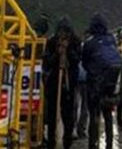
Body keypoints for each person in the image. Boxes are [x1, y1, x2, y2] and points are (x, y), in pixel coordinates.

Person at [83, 13, 122, 149]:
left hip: (95, 83)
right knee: (108, 115)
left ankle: (93, 144)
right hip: (112, 84)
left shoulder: (89, 43)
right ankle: (109, 144)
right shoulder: (111, 39)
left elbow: (85, 63)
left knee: (94, 114)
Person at [42, 18, 81, 149]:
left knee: (68, 116)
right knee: (52, 116)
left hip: (69, 85)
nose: (63, 35)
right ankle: (52, 143)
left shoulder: (75, 42)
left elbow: (76, 61)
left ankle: (67, 142)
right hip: (54, 84)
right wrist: (57, 55)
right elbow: (47, 61)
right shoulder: (51, 42)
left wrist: (68, 51)